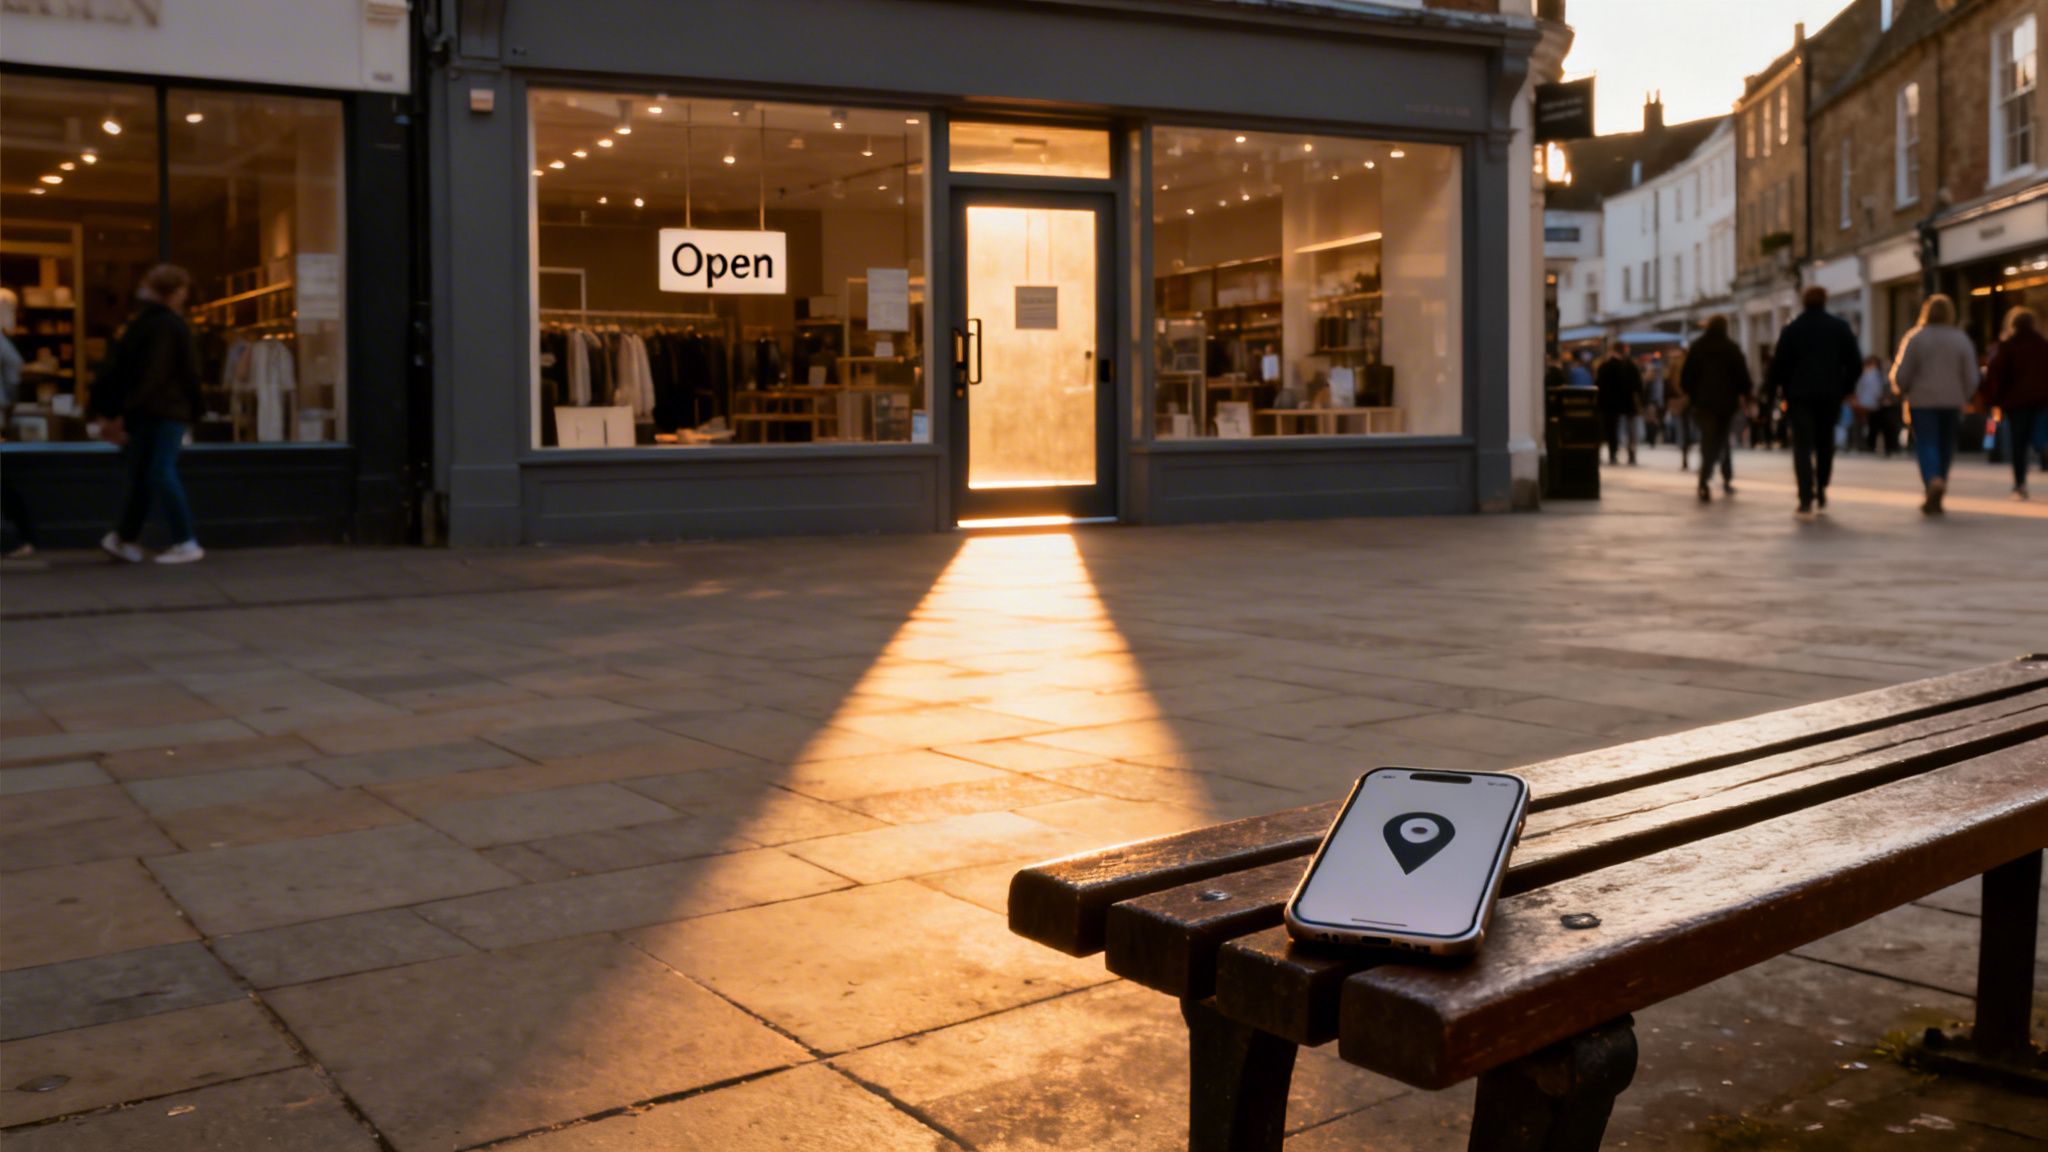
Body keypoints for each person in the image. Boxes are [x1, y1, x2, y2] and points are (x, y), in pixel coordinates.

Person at [89, 264, 206, 564]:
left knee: (147, 473)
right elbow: (164, 374)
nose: (183, 297)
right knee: (155, 471)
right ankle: (182, 540)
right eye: (181, 292)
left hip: (146, 411)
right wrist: (196, 409)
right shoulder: (170, 325)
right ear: (175, 293)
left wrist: (117, 411)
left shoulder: (141, 323)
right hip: (166, 409)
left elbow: (125, 371)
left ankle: (128, 538)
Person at [1763, 286, 1862, 516]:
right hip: (1829, 394)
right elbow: (1855, 363)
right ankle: (1822, 484)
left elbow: (1778, 366)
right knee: (1825, 442)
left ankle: (1805, 495)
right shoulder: (1839, 328)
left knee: (1802, 445)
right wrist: (1844, 387)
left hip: (1799, 396)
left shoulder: (1792, 330)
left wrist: (1773, 393)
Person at [1890, 293, 1980, 516]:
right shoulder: (1960, 339)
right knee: (1946, 444)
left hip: (1922, 401)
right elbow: (1972, 376)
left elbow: (1902, 374)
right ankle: (1940, 481)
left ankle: (1932, 479)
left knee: (1927, 442)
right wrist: (1965, 394)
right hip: (1952, 400)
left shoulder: (1916, 337)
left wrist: (1901, 389)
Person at [1678, 314, 1752, 503]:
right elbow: (1743, 377)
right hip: (1726, 403)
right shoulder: (1731, 348)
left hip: (1703, 403)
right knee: (1722, 438)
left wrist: (1693, 395)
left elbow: (1686, 378)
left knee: (1708, 439)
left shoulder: (1698, 348)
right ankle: (1725, 475)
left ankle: (1704, 478)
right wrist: (1745, 395)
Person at [1981, 305, 2048, 500]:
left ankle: (2020, 484)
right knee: (2040, 432)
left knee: (2018, 443)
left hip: (2015, 403)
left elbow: (1995, 376)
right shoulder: (2043, 345)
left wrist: (1992, 400)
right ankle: (2042, 447)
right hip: (2041, 400)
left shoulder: (2006, 347)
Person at [1595, 342, 1644, 465]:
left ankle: (1613, 453)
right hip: (1627, 403)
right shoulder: (1630, 366)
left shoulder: (1605, 366)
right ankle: (1631, 453)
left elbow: (1599, 385)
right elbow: (1638, 386)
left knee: (1612, 429)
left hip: (1609, 403)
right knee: (1630, 430)